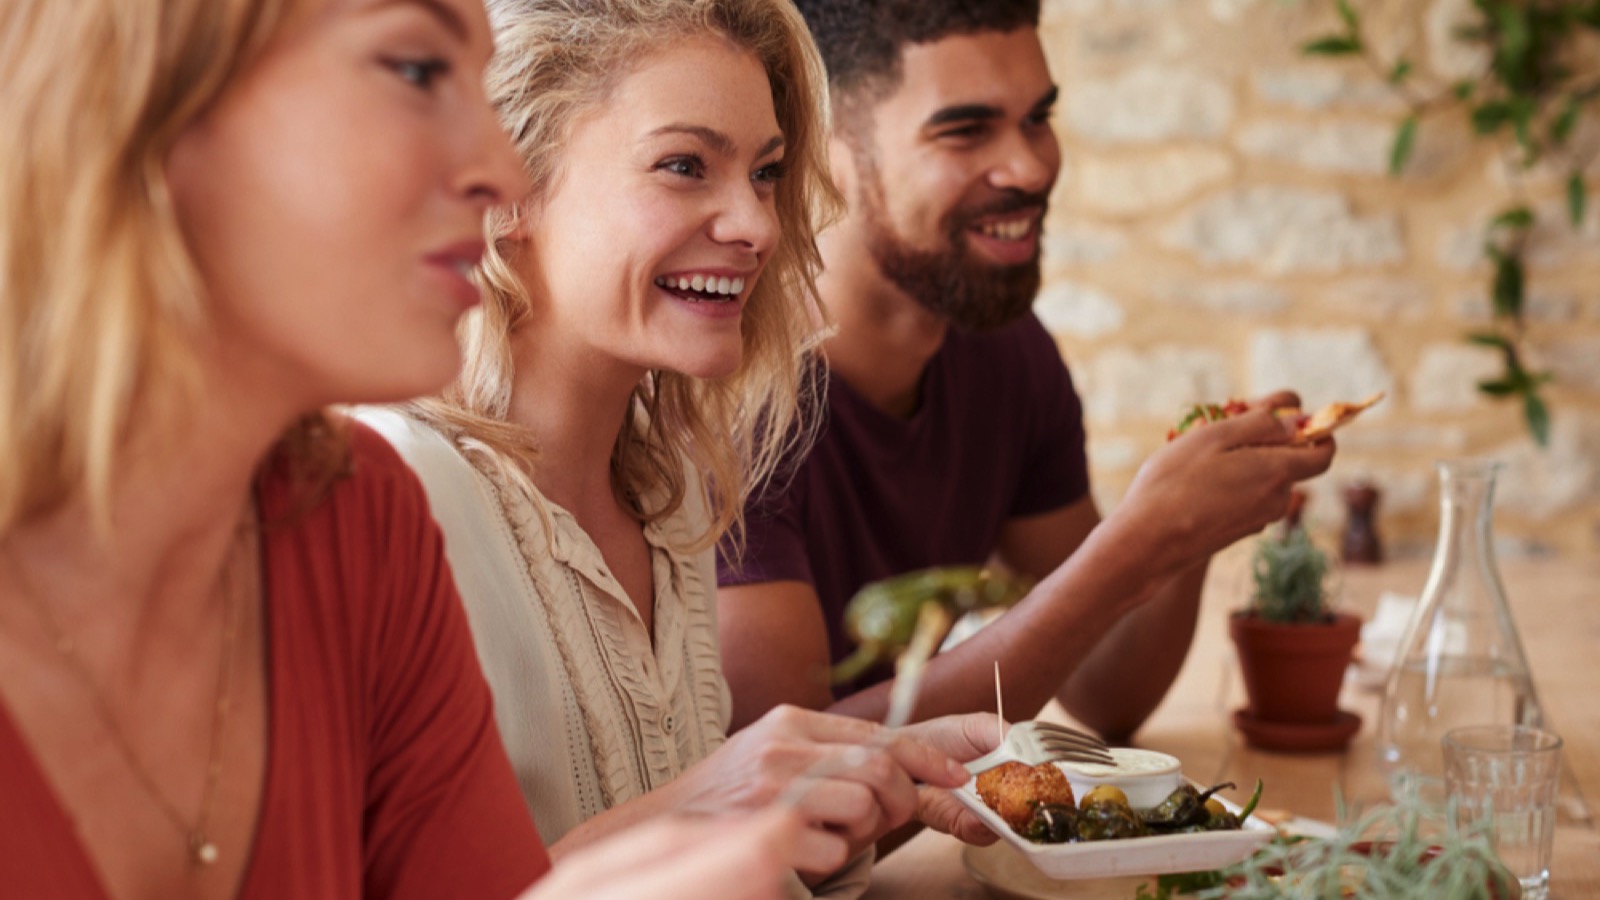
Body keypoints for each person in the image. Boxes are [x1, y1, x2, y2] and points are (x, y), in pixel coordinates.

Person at [0, 0, 841, 897]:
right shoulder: (408, 480)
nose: (496, 169)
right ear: (150, 106)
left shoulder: (361, 517)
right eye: (413, 72)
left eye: (767, 174)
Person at [361, 1, 1003, 893]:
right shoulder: (396, 490)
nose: (757, 226)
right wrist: (708, 801)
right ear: (508, 185)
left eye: (768, 173)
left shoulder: (674, 501)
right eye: (683, 165)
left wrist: (850, 779)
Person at [716, 0, 1338, 744]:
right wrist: (1133, 547)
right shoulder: (733, 403)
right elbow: (780, 797)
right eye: (967, 130)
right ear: (825, 151)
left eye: (1038, 118)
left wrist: (1182, 537)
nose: (1032, 165)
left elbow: (1107, 693)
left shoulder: (1005, 354)